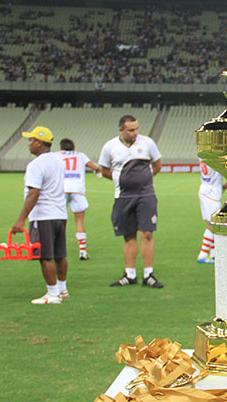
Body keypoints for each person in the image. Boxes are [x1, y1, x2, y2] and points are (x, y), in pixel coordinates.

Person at [98, 115, 164, 288]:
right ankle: (130, 275)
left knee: (147, 234)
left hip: (146, 196)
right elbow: (104, 169)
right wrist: (121, 180)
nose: (135, 133)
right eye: (131, 130)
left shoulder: (148, 143)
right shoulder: (110, 146)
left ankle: (148, 275)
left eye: (136, 129)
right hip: (123, 197)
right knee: (128, 236)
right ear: (121, 130)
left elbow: (157, 166)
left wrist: (143, 181)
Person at [11, 126, 69, 305]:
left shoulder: (35, 165)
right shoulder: (59, 161)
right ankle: (62, 288)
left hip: (43, 215)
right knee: (60, 254)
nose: (29, 144)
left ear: (38, 143)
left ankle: (52, 294)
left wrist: (21, 219)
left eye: (31, 140)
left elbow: (34, 193)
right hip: (60, 213)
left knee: (45, 255)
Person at [57, 138, 101, 260]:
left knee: (59, 220)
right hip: (77, 189)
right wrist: (97, 171)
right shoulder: (80, 155)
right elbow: (94, 166)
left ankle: (57, 249)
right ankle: (82, 251)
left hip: (61, 190)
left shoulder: (56, 155)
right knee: (79, 221)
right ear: (74, 147)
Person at [197, 159, 225, 264]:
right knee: (213, 225)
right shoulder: (216, 159)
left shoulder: (203, 156)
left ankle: (214, 253)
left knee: (211, 223)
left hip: (204, 189)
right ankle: (203, 254)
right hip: (211, 194)